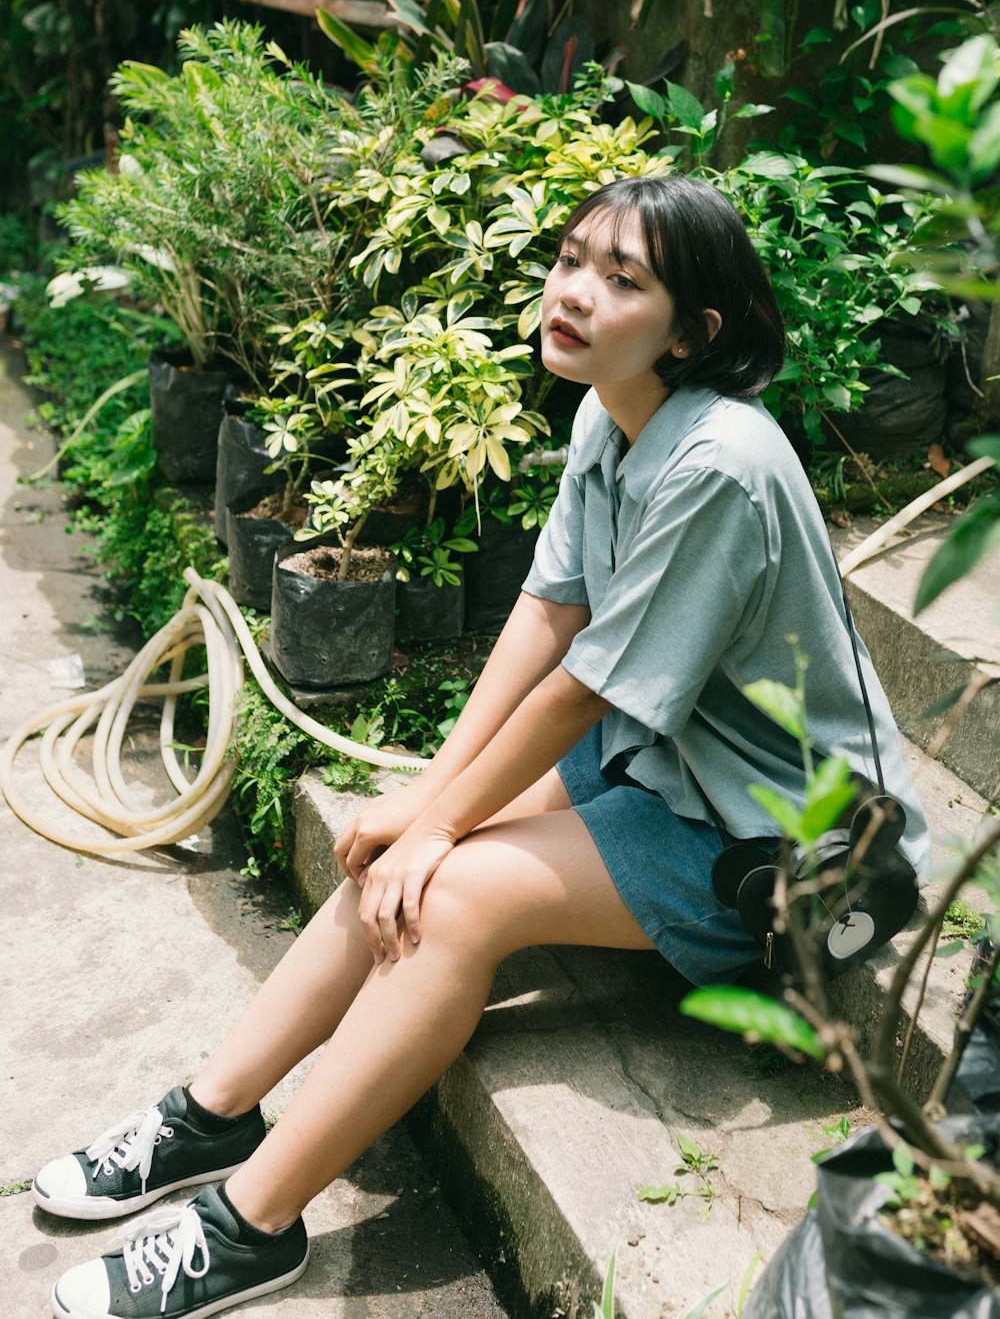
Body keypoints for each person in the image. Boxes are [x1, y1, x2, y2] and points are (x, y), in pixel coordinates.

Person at [33, 175, 929, 1319]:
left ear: (694, 332)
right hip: (668, 763)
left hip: (786, 840)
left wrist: (444, 825)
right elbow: (549, 610)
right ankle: (211, 1110)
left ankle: (246, 1229)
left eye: (622, 279)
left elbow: (586, 685)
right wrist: (427, 798)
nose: (573, 293)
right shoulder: (615, 409)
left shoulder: (718, 464)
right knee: (390, 850)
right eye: (569, 260)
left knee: (448, 899)